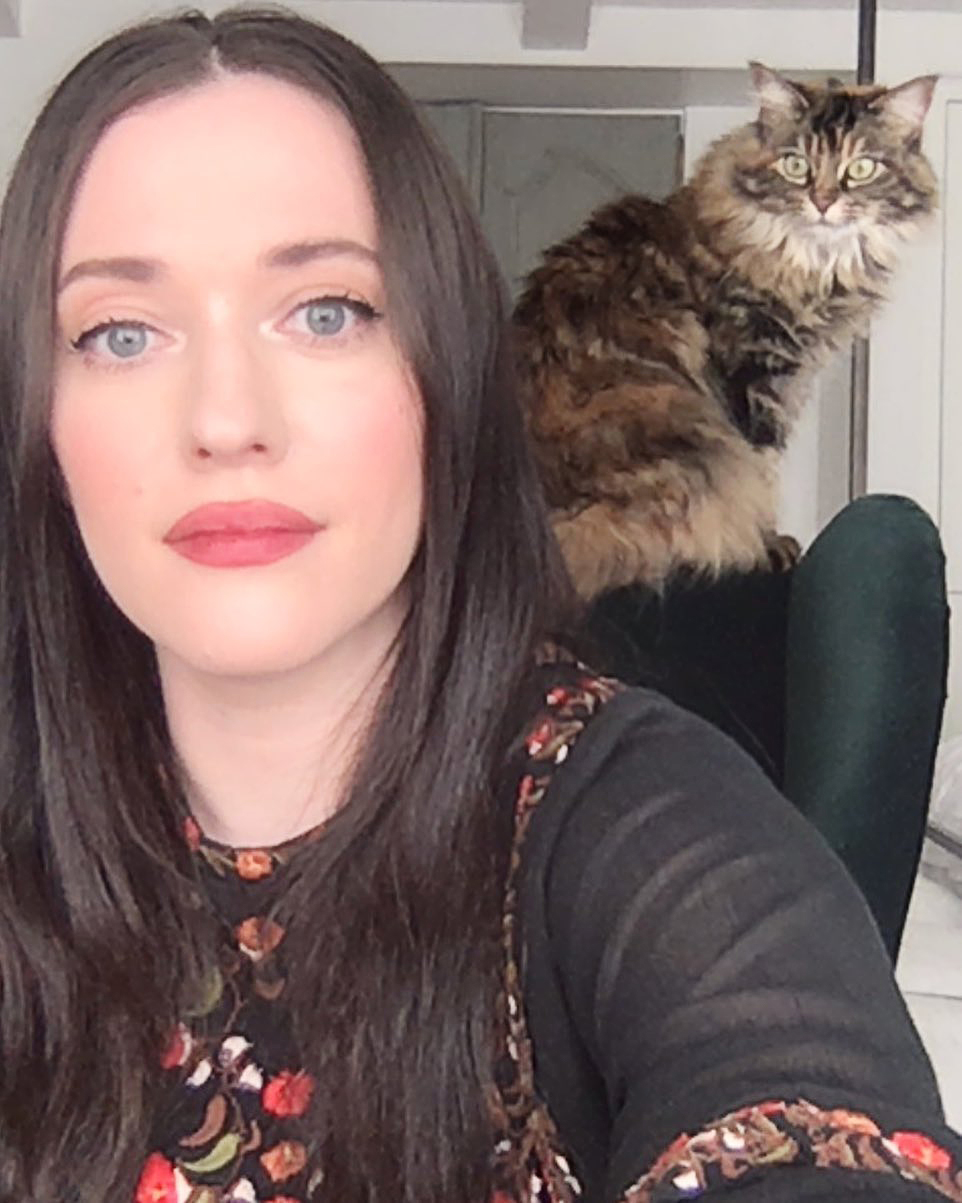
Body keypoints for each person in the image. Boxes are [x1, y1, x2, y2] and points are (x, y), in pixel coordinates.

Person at [0, 7, 957, 1202]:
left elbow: (800, 1115)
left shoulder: (644, 824)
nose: (226, 420)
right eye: (120, 332)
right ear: (36, 422)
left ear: (447, 379)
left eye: (326, 312)